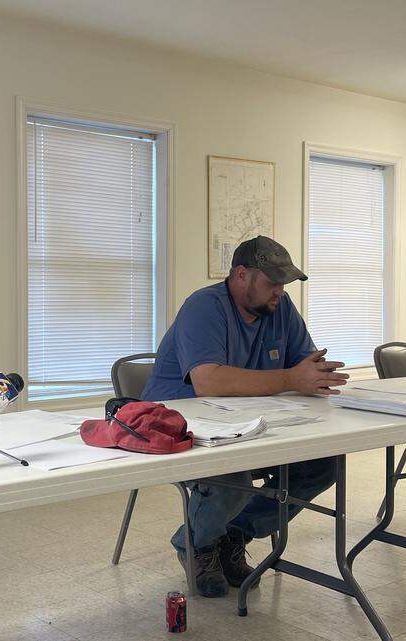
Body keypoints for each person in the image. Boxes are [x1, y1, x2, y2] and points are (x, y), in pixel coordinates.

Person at [141, 235, 348, 598]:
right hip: (178, 422)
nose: (279, 292)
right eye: (272, 282)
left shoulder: (279, 308)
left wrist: (314, 376)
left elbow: (305, 365)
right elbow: (207, 382)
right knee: (233, 472)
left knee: (322, 465)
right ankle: (196, 544)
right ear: (241, 275)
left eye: (283, 284)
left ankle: (233, 533)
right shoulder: (204, 307)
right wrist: (289, 378)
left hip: (247, 420)